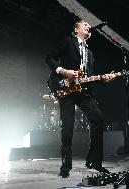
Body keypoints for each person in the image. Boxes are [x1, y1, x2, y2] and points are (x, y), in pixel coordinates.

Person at [46, 20, 115, 178]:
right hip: (66, 89)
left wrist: (105, 79)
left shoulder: (90, 53)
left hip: (83, 91)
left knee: (97, 118)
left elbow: (89, 77)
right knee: (68, 127)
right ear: (76, 30)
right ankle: (66, 166)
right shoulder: (68, 41)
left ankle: (94, 163)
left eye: (89, 26)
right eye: (85, 24)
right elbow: (49, 58)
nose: (88, 26)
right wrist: (63, 71)